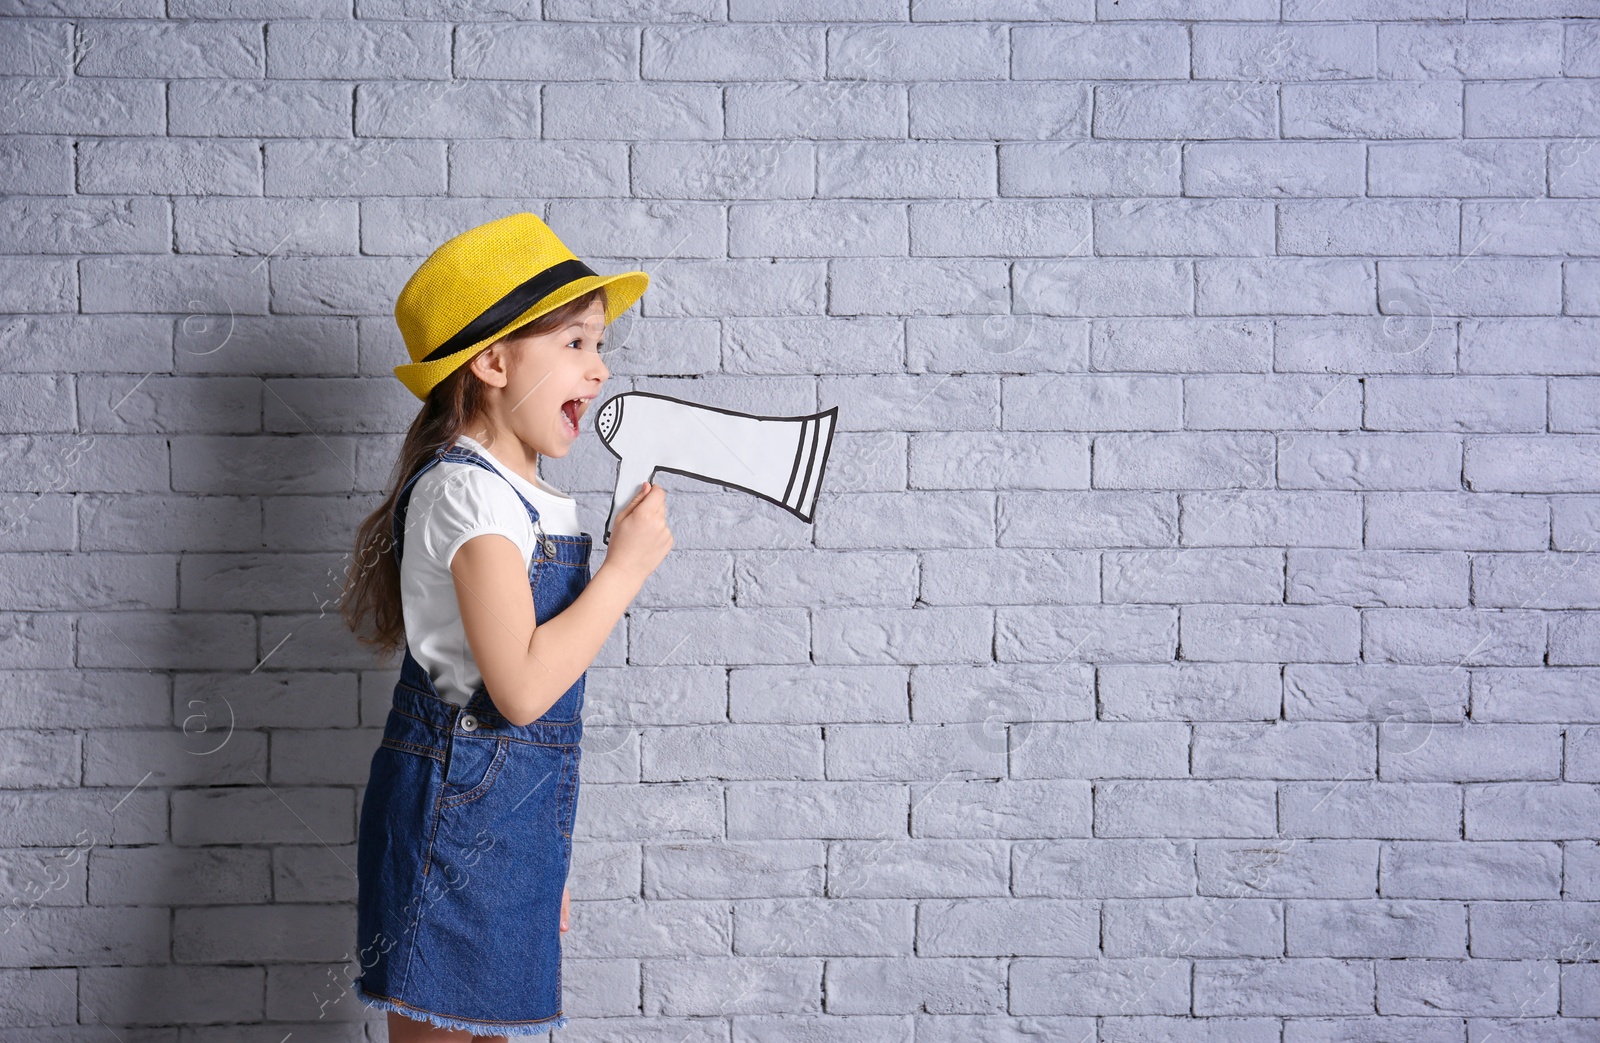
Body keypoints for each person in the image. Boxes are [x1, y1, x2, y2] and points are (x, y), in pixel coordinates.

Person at [339, 212, 673, 1040]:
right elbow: (521, 690)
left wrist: (541, 849)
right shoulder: (469, 493)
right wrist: (625, 568)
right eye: (575, 343)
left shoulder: (522, 495)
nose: (598, 371)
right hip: (455, 823)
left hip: (505, 820)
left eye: (600, 346)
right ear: (491, 362)